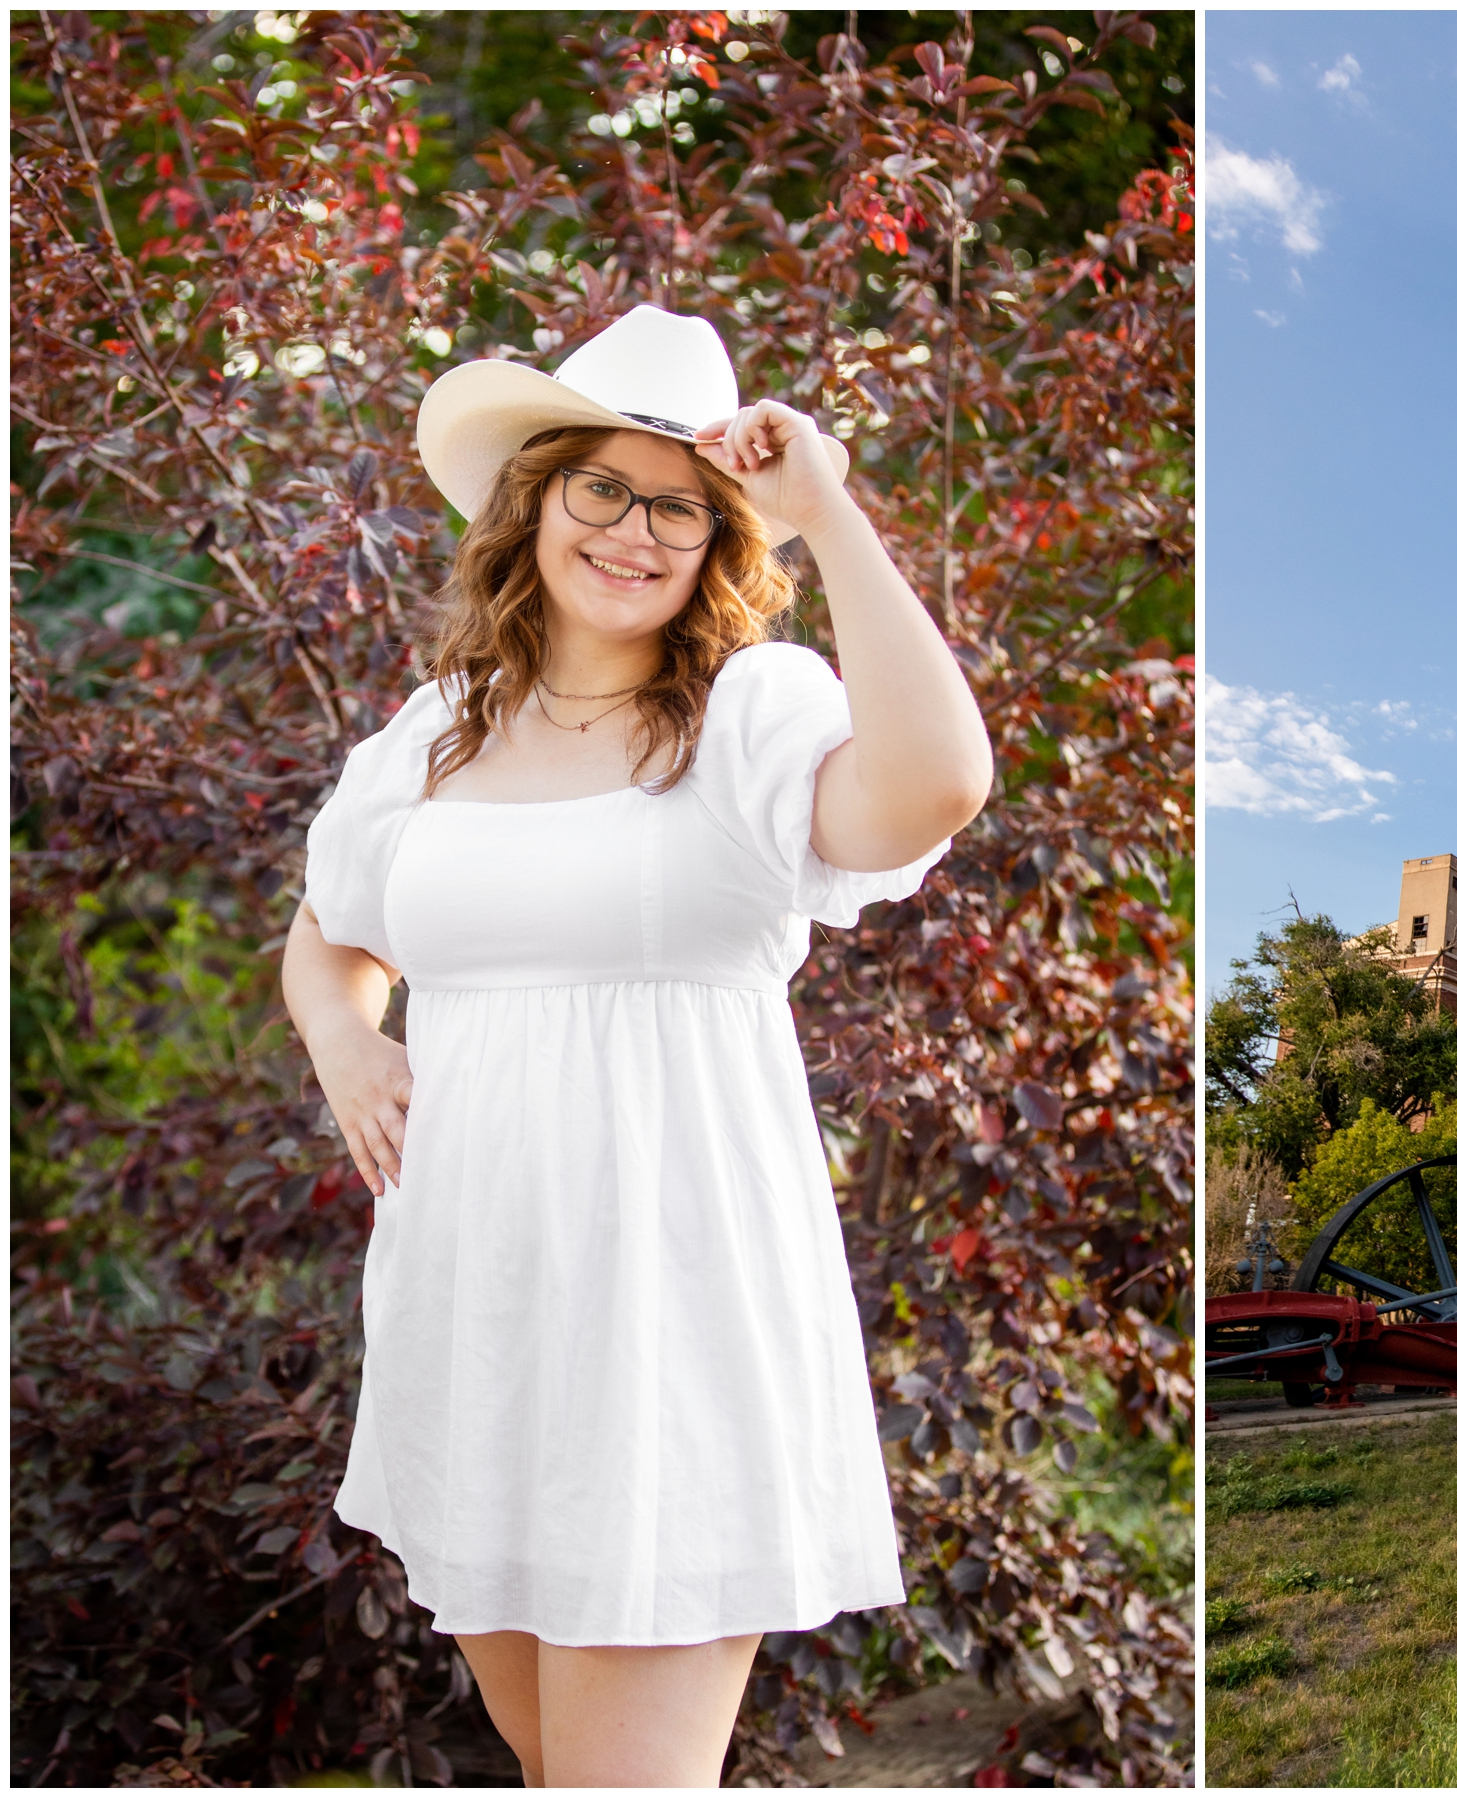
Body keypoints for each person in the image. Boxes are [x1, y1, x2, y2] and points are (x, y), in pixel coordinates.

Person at [281, 304, 992, 1785]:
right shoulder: (432, 734)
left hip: (673, 1329)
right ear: (536, 498)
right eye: (602, 485)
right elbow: (332, 926)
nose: (636, 528)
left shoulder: (749, 714)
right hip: (473, 1318)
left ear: (723, 541)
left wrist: (827, 509)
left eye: (681, 504)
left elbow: (935, 785)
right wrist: (348, 1048)